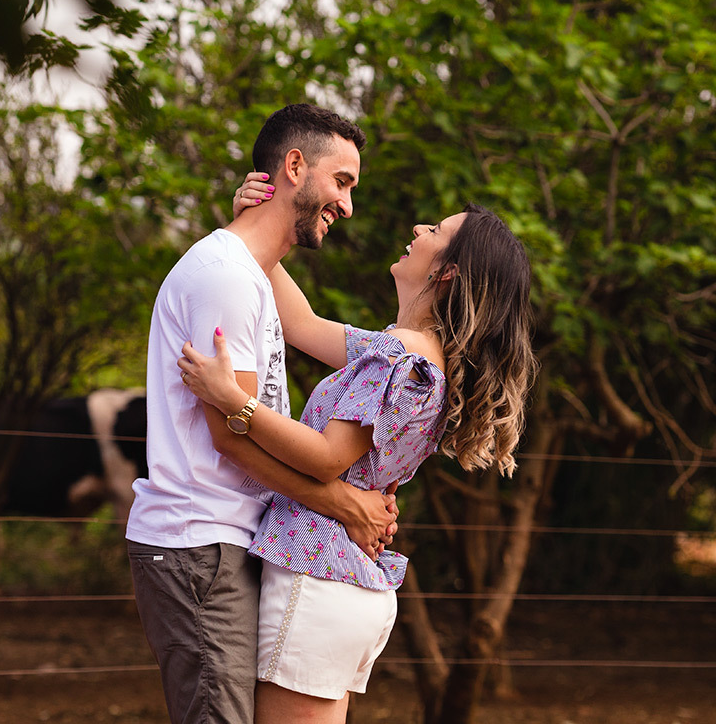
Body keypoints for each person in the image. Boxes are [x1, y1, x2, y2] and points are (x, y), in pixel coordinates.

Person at [177, 182, 537, 724]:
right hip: (343, 582)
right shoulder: (410, 353)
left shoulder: (400, 357)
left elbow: (326, 458)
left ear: (448, 273)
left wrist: (234, 401)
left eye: (435, 231)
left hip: (316, 577)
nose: (419, 230)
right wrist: (256, 225)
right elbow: (302, 325)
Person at [125, 105, 401, 724]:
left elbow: (305, 329)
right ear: (295, 166)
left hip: (229, 541)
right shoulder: (224, 276)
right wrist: (341, 503)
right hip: (199, 542)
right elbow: (231, 439)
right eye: (343, 182)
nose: (348, 206)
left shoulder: (249, 273)